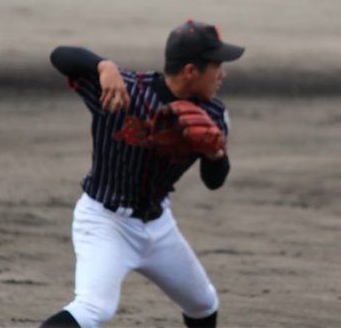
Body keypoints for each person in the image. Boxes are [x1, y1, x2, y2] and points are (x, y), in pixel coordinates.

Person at [41, 20, 245, 328]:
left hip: (159, 227)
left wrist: (215, 153)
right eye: (217, 66)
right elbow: (60, 55)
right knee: (94, 309)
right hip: (105, 222)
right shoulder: (124, 89)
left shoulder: (213, 114)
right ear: (191, 71)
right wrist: (104, 66)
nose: (222, 74)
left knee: (203, 303)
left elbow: (214, 181)